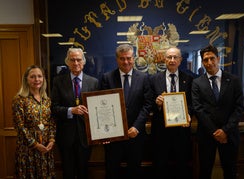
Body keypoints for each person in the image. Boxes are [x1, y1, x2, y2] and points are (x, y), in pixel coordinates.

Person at [100, 44, 152, 179]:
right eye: (122, 59)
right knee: (112, 171)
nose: (126, 62)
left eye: (129, 58)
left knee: (134, 171)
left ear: (133, 58)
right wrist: (106, 133)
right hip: (113, 137)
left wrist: (136, 126)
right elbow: (102, 106)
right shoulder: (107, 78)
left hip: (136, 134)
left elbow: (147, 105)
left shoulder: (144, 78)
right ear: (117, 60)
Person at [191, 45, 244, 179]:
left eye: (212, 58)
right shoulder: (197, 83)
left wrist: (225, 131)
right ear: (202, 62)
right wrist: (215, 132)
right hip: (207, 135)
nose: (209, 63)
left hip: (229, 134)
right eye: (205, 60)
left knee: (230, 171)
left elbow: (239, 107)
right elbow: (198, 109)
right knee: (205, 171)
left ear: (218, 59)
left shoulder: (234, 80)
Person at [51, 48, 99, 179]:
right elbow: (53, 108)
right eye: (72, 60)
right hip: (66, 136)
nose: (76, 63)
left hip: (86, 136)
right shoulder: (58, 81)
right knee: (68, 172)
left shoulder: (94, 82)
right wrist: (71, 110)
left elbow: (98, 110)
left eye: (78, 59)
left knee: (84, 171)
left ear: (83, 62)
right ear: (67, 62)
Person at [150, 47, 193, 179]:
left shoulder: (189, 79)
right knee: (160, 166)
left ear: (180, 60)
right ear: (165, 59)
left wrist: (188, 114)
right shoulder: (154, 79)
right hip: (161, 131)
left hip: (182, 131)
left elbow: (193, 103)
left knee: (182, 166)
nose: (172, 60)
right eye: (169, 57)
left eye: (175, 57)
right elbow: (147, 103)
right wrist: (156, 103)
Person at [12, 65, 56, 178]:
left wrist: (51, 139)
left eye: (39, 76)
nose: (37, 80)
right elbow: (19, 126)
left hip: (46, 148)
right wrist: (35, 144)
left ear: (43, 79)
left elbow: (51, 122)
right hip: (28, 149)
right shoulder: (19, 100)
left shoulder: (46, 100)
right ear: (26, 79)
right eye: (32, 77)